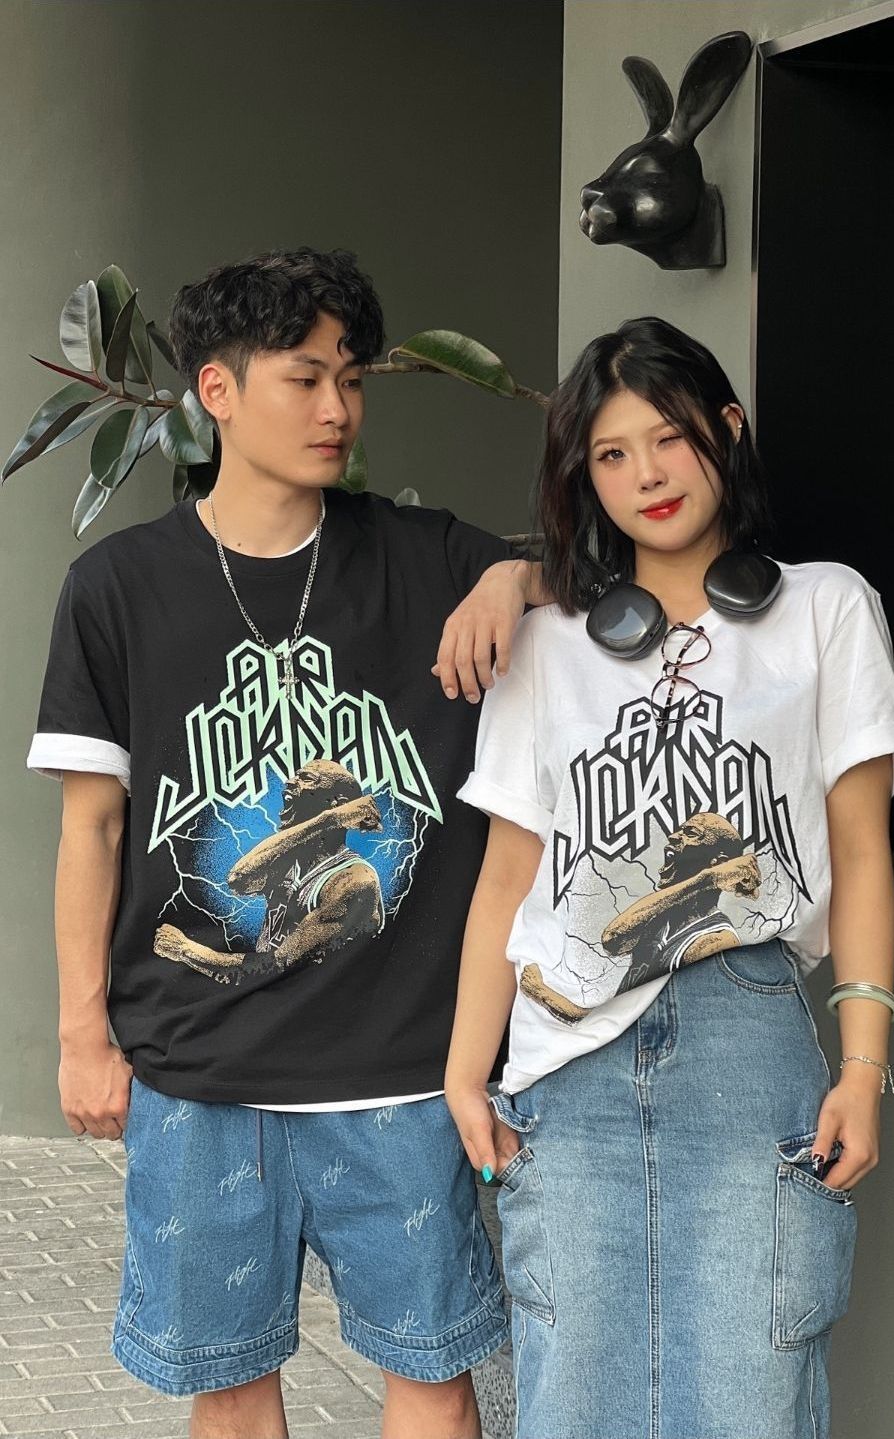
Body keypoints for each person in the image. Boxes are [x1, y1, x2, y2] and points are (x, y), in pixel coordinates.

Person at [27, 247, 542, 1439]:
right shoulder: (117, 588)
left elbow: (608, 566)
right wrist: (83, 1035)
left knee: (433, 1374)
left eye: (350, 379)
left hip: (401, 1066)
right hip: (202, 1071)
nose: (337, 408)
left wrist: (514, 576)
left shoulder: (427, 557)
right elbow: (91, 827)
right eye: (304, 378)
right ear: (216, 390)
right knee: (231, 1385)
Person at [445, 316, 894, 1439]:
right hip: (569, 1061)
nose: (647, 474)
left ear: (727, 429)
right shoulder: (545, 641)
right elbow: (509, 874)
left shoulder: (826, 609)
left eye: (668, 438)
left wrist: (864, 1065)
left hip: (747, 1039)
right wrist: (467, 1071)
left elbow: (861, 851)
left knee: (751, 1394)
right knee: (575, 1398)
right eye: (612, 454)